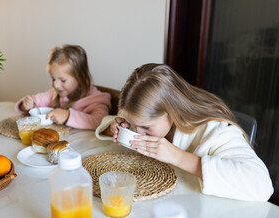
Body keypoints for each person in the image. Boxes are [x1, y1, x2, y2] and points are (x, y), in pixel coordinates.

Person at [95, 63, 273, 201]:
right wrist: (116, 129)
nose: (138, 133)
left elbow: (261, 185)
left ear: (171, 112)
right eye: (133, 125)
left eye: (146, 128)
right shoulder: (148, 121)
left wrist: (178, 157)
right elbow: (117, 122)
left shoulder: (214, 130)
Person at [15, 44, 111, 130]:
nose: (55, 85)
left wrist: (68, 116)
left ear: (80, 78)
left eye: (63, 80)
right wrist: (27, 104)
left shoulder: (95, 99)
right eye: (53, 79)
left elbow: (101, 122)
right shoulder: (55, 94)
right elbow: (36, 100)